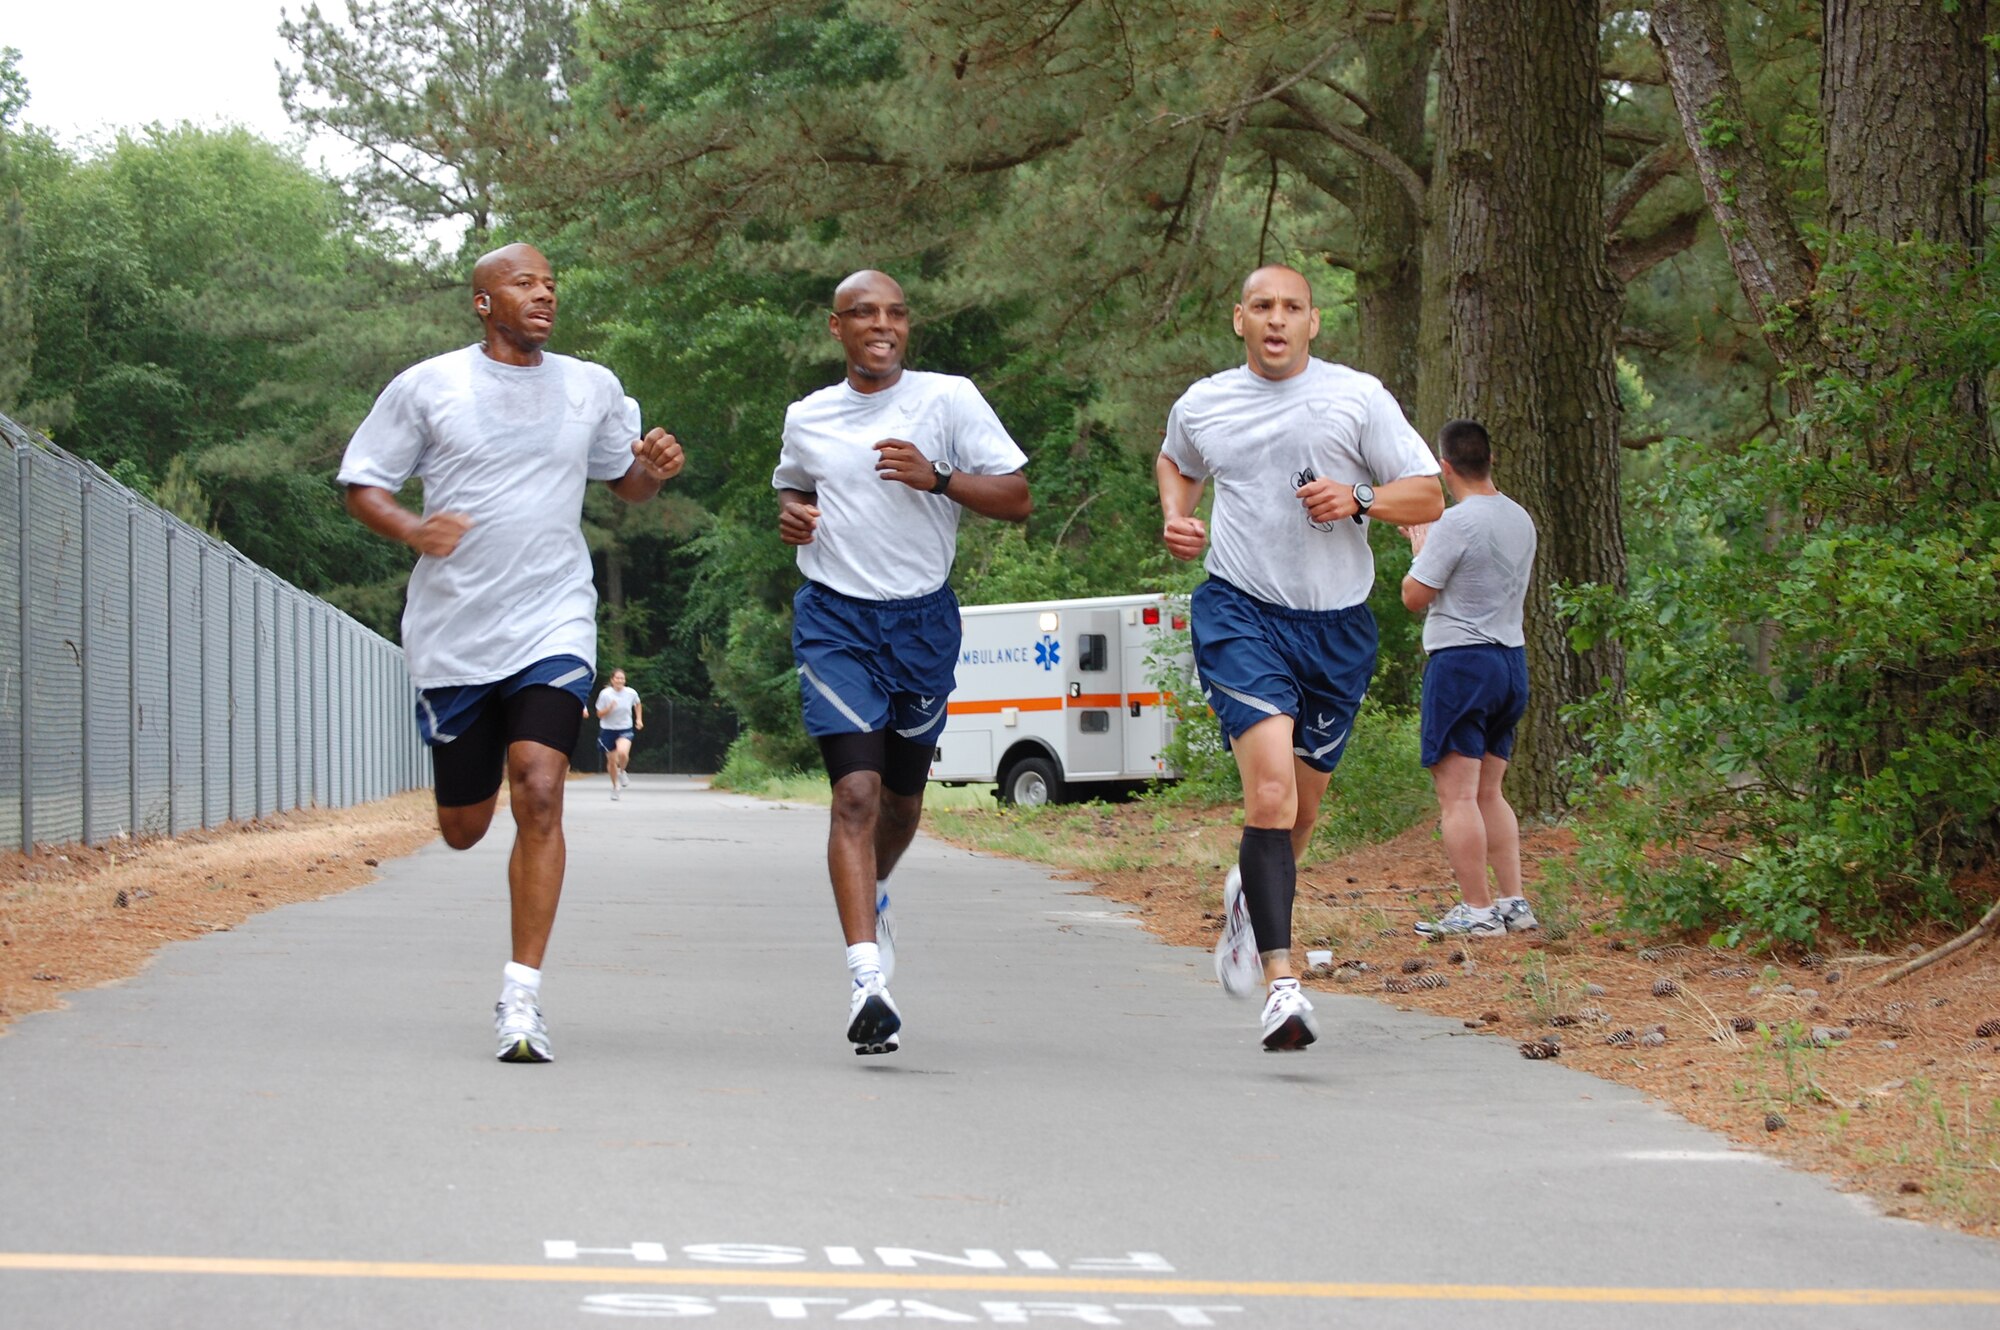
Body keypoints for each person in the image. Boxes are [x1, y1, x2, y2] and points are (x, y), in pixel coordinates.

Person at [338, 242, 684, 1064]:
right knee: (462, 827)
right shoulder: (428, 386)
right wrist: (414, 528)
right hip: (454, 633)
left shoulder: (591, 387)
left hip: (552, 619)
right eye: (523, 283)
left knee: (540, 788)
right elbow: (362, 485)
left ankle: (521, 999)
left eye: (551, 284)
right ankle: (468, 773)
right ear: (483, 303)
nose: (544, 295)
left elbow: (623, 483)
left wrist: (653, 471)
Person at [1157, 264, 1444, 1051]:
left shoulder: (1357, 396)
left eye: (1291, 308)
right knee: (1273, 794)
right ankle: (1284, 988)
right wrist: (1177, 516)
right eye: (1261, 307)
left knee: (1298, 817)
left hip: (1337, 628)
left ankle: (1249, 900)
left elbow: (1427, 494)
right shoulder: (1206, 401)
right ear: (1238, 319)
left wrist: (1359, 500)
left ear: (1313, 322)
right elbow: (1177, 461)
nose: (1276, 320)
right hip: (1241, 614)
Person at [774, 269, 1031, 1055]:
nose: (881, 325)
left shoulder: (948, 399)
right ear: (836, 327)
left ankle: (874, 895)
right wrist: (793, 517)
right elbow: (790, 492)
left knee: (902, 805)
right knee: (855, 792)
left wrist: (940, 478)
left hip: (922, 622)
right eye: (863, 314)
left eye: (894, 313)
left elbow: (1018, 497)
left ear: (906, 326)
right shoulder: (808, 416)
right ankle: (866, 981)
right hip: (836, 619)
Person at [1400, 419, 1540, 938]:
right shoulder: (1520, 517)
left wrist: (1421, 546)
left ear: (1445, 467)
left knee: (1457, 796)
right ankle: (1513, 903)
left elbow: (1415, 596)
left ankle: (1477, 912)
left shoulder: (1456, 524)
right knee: (1490, 792)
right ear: (1491, 459)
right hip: (1510, 661)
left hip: (1461, 663)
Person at [594, 668, 643, 799]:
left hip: (624, 728)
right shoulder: (605, 694)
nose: (620, 680)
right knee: (611, 761)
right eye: (617, 678)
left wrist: (638, 719)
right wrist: (609, 708)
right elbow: (599, 714)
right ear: (612, 680)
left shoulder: (630, 693)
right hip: (608, 729)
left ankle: (622, 771)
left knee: (622, 752)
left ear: (625, 680)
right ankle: (615, 787)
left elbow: (637, 704)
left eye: (622, 678)